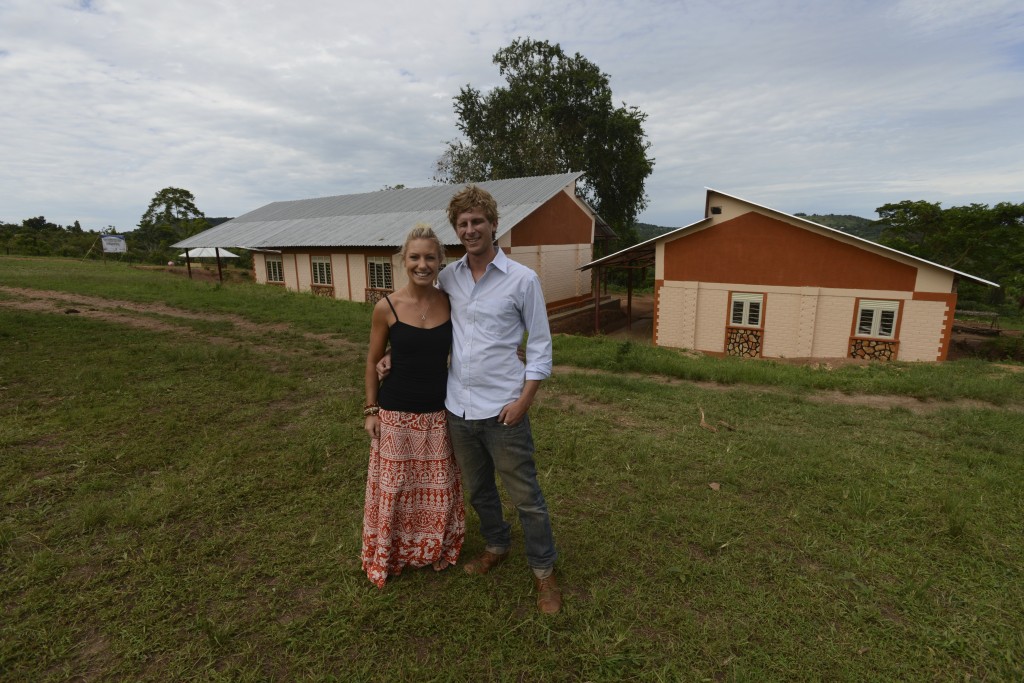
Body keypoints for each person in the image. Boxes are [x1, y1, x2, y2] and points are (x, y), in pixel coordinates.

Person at [381, 185, 561, 614]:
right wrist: (393, 352)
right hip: (457, 409)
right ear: (456, 231)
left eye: (477, 221)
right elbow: (423, 317)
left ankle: (544, 573)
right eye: (462, 224)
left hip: (504, 410)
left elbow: (540, 347)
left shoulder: (523, 280)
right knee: (479, 490)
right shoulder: (449, 277)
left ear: (494, 224)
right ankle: (496, 545)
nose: (470, 229)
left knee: (525, 496)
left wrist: (524, 402)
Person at [361, 225, 465, 588]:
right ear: (403, 260)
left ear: (441, 261)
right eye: (415, 257)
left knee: (435, 488)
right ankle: (394, 551)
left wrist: (511, 350)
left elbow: (478, 337)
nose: (423, 264)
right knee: (395, 489)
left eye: (430, 257)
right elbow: (372, 359)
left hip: (438, 414)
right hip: (396, 414)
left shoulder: (452, 301)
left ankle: (432, 546)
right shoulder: (385, 307)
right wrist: (371, 410)